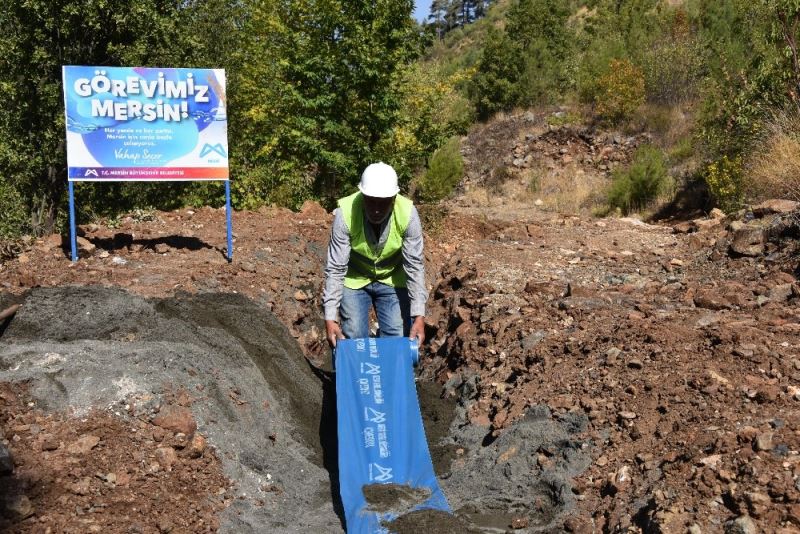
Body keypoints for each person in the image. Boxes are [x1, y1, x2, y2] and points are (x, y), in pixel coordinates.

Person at [322, 162, 427, 349]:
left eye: (383, 202)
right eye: (371, 201)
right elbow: (336, 267)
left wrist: (419, 315)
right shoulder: (345, 213)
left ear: (394, 199)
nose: (377, 209)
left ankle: (390, 375)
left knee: (396, 337)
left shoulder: (408, 215)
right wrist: (330, 317)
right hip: (354, 279)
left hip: (392, 279)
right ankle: (355, 376)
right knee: (353, 335)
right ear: (362, 196)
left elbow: (414, 266)